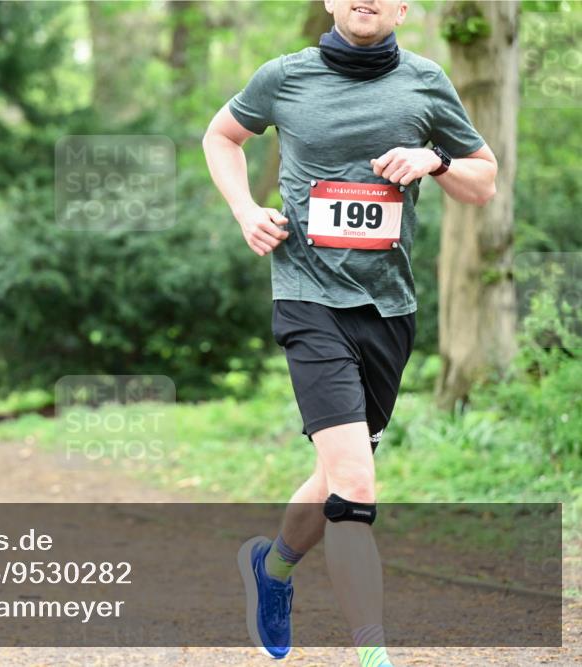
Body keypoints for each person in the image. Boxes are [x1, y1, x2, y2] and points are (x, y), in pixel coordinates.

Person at [202, 1, 497, 664]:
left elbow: (484, 180)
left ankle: (272, 568)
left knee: (337, 474)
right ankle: (373, 656)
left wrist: (435, 162)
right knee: (357, 488)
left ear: (403, 8)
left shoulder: (426, 82)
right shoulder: (285, 76)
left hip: (388, 310)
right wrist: (244, 210)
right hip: (308, 299)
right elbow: (220, 136)